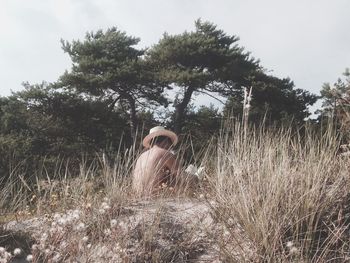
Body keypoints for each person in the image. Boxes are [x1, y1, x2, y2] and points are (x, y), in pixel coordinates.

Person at [132, 126, 180, 196]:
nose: (170, 148)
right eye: (170, 144)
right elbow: (181, 176)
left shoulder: (141, 157)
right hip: (154, 196)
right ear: (166, 141)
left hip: (137, 195)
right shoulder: (164, 153)